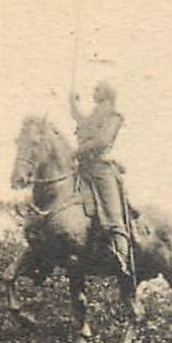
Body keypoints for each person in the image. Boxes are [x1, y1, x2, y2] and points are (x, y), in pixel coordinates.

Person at [69, 81, 134, 293]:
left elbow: (102, 140)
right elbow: (81, 121)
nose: (93, 92)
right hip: (81, 168)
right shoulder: (92, 115)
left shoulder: (114, 116)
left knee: (111, 212)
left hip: (101, 167)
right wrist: (72, 103)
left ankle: (121, 255)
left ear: (106, 93)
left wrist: (77, 152)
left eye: (96, 89)